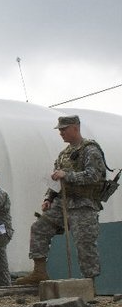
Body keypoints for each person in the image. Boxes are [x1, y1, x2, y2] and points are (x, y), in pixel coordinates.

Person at [18, 115, 107, 285]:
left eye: (64, 129)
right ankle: (39, 271)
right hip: (62, 203)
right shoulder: (63, 154)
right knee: (39, 228)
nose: (61, 133)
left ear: (76, 127)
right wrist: (49, 198)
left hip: (83, 204)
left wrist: (67, 175)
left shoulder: (90, 150)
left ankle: (90, 282)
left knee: (85, 243)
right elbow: (55, 180)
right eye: (59, 130)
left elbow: (95, 176)